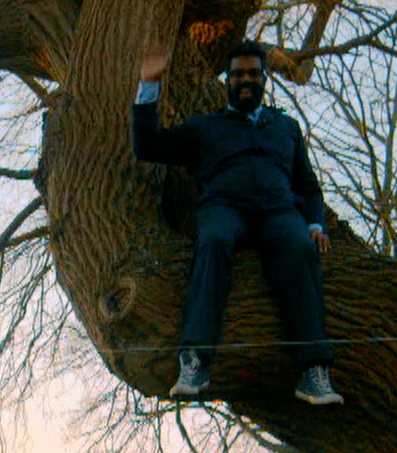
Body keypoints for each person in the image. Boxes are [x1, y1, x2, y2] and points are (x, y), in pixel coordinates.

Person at [132, 39, 341, 405]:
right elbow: (149, 145)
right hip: (223, 207)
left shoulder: (286, 127)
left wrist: (315, 225)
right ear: (228, 80)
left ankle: (313, 371)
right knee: (212, 243)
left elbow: (308, 186)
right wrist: (148, 84)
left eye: (253, 74)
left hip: (278, 210)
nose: (246, 80)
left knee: (300, 250)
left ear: (264, 80)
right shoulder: (205, 127)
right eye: (238, 74)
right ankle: (194, 360)